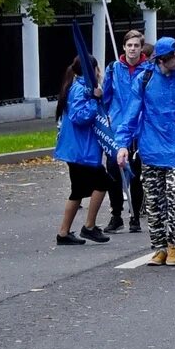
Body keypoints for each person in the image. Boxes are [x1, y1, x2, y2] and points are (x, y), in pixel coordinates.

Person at [114, 37, 175, 266]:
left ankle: (174, 245)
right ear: (162, 59)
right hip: (151, 149)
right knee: (153, 202)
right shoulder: (145, 79)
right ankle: (159, 247)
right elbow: (130, 115)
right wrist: (122, 144)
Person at [55, 58, 114, 245]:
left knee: (78, 191)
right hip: (81, 151)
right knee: (104, 182)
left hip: (78, 150)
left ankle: (64, 233)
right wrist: (95, 100)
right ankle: (89, 227)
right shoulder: (80, 89)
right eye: (97, 67)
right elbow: (79, 117)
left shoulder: (79, 87)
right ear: (92, 70)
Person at [101, 29, 149, 233]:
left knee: (136, 173)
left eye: (136, 45)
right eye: (129, 45)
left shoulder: (149, 69)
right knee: (113, 170)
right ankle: (116, 214)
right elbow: (105, 96)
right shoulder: (114, 68)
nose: (132, 49)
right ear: (123, 47)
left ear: (141, 48)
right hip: (117, 126)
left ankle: (135, 215)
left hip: (138, 127)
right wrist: (106, 114)